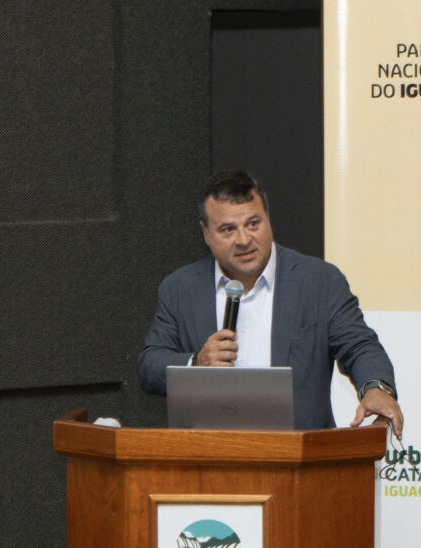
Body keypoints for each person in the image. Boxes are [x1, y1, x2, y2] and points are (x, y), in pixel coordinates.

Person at [138, 170, 403, 436]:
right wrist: (196, 363)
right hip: (208, 453)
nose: (244, 240)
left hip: (300, 453)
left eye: (253, 224)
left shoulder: (319, 282)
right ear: (206, 232)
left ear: (268, 218)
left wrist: (376, 388)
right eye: (228, 229)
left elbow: (359, 346)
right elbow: (150, 365)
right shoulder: (180, 288)